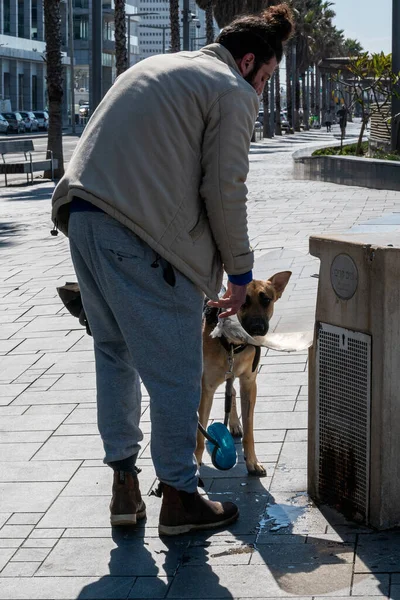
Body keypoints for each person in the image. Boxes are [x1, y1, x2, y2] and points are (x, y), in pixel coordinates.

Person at [51, 4, 294, 536]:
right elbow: (225, 189)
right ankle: (182, 495)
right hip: (136, 233)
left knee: (114, 352)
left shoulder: (160, 66)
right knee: (177, 367)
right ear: (249, 61)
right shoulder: (231, 90)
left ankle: (124, 488)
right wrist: (238, 274)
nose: (263, 91)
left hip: (80, 216)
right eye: (268, 78)